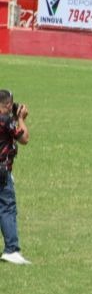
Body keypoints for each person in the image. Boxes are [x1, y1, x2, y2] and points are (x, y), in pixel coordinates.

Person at [0, 90, 30, 264]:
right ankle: (11, 249)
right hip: (2, 171)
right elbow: (24, 138)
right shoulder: (5, 121)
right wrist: (20, 119)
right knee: (7, 207)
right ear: (9, 105)